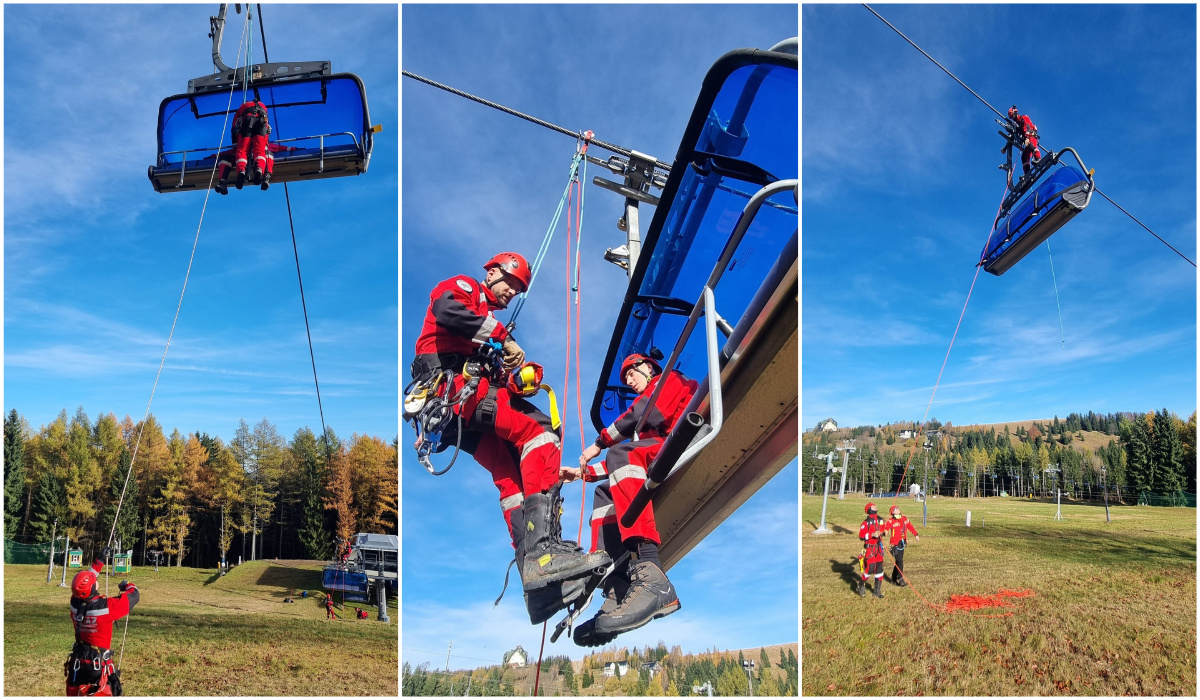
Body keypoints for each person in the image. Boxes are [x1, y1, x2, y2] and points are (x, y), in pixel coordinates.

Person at [409, 252, 609, 622]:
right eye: (510, 286)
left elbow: (493, 372)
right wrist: (502, 338)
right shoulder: (464, 288)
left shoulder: (483, 335)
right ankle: (544, 551)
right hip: (454, 392)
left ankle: (537, 587)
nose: (510, 295)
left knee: (510, 475)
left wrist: (517, 375)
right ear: (492, 272)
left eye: (517, 292)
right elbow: (448, 312)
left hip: (455, 411)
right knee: (540, 432)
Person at [561, 353, 697, 645]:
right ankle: (617, 582)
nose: (629, 381)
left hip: (683, 438)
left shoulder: (669, 382)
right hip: (663, 448)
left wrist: (600, 443)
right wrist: (580, 475)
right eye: (625, 379)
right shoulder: (650, 421)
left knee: (619, 452)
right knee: (604, 490)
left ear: (649, 368)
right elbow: (633, 458)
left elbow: (640, 417)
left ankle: (651, 570)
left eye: (632, 374)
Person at [65, 547, 139, 696]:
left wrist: (99, 561)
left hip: (77, 663)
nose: (96, 580)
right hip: (96, 668)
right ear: (92, 588)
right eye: (94, 582)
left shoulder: (75, 603)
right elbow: (134, 596)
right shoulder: (106, 608)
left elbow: (85, 583)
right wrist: (127, 585)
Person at [858, 503, 887, 599]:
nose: (875, 507)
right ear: (869, 509)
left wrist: (884, 532)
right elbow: (861, 536)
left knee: (879, 569)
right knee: (870, 568)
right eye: (873, 506)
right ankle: (861, 584)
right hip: (870, 548)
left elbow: (883, 530)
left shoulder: (881, 520)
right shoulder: (865, 523)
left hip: (879, 548)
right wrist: (872, 535)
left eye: (875, 506)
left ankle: (877, 591)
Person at [885, 505, 920, 586]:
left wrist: (916, 535)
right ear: (892, 512)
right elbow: (886, 528)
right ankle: (900, 578)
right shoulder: (891, 521)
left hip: (902, 543)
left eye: (897, 508)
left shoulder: (904, 518)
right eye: (895, 509)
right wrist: (885, 531)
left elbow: (910, 526)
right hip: (895, 545)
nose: (898, 509)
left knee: (898, 562)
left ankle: (893, 579)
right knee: (900, 562)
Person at [1007, 106, 1041, 182]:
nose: (1013, 118)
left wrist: (1026, 137)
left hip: (1031, 136)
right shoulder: (1018, 123)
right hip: (1027, 137)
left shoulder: (1023, 118)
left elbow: (1027, 126)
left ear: (1015, 113)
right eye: (1011, 118)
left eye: (1013, 116)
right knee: (1024, 156)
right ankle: (1027, 173)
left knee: (1032, 145)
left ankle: (1037, 158)